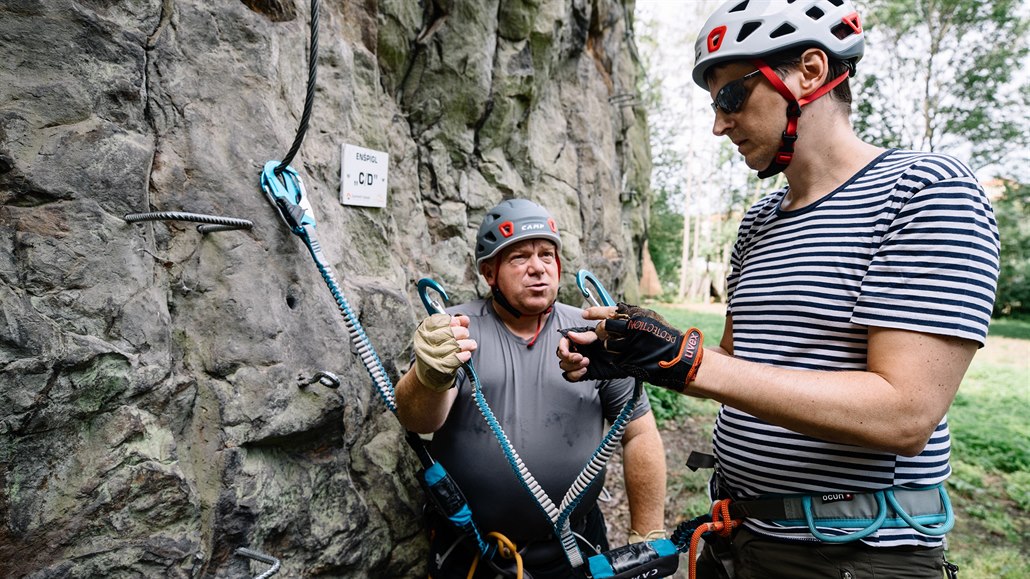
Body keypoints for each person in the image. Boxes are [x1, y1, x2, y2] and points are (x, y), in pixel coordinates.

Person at [556, 1, 1000, 578]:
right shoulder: (760, 220)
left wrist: (684, 359)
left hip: (856, 555)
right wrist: (637, 356)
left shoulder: (925, 191)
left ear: (810, 72)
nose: (719, 123)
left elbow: (905, 413)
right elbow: (738, 372)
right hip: (740, 534)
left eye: (730, 97)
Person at [396, 198, 667, 579]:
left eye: (546, 254)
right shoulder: (455, 331)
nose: (537, 268)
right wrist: (428, 375)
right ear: (489, 273)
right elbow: (418, 419)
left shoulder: (597, 336)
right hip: (474, 550)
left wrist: (648, 534)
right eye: (519, 257)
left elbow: (639, 431)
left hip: (576, 546)